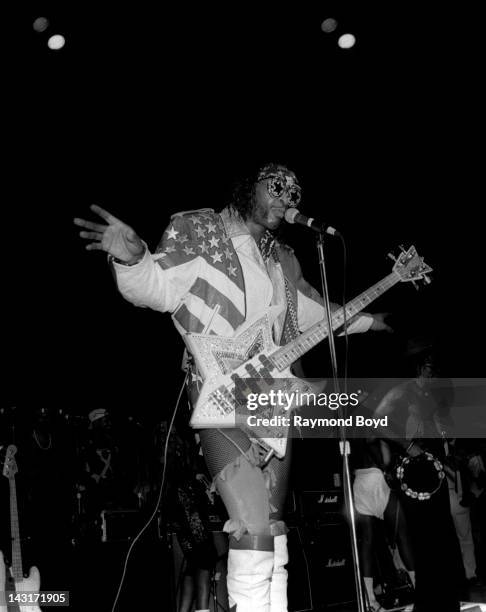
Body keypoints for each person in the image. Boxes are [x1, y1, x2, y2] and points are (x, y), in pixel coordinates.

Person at [74, 162, 390, 611]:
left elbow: (317, 313)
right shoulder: (200, 230)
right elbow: (160, 287)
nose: (288, 197)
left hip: (272, 402)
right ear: (249, 187)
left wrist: (372, 322)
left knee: (273, 528)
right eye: (277, 186)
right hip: (222, 401)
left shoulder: (283, 258)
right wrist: (134, 257)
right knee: (252, 523)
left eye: (296, 191)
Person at [373, 343, 465, 612]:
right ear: (418, 367)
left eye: (435, 370)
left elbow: (441, 431)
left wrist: (448, 438)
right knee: (423, 534)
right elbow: (374, 421)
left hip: (434, 470)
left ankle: (446, 598)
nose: (432, 374)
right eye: (428, 368)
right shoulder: (401, 390)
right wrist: (405, 444)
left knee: (443, 533)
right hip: (413, 472)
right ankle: (428, 600)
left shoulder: (433, 397)